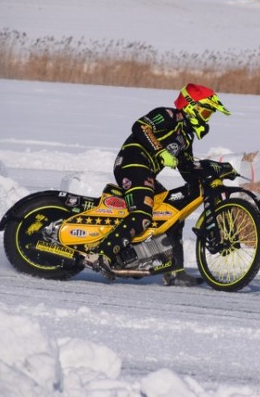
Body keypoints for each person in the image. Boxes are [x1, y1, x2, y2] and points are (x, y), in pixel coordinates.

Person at [85, 84, 231, 286]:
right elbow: (141, 127)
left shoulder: (185, 139)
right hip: (132, 163)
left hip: (146, 174)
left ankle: (174, 271)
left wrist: (214, 170)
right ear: (191, 107)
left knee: (174, 215)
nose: (207, 118)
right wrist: (161, 151)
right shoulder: (168, 115)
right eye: (205, 111)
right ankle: (101, 255)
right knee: (143, 214)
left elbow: (187, 170)